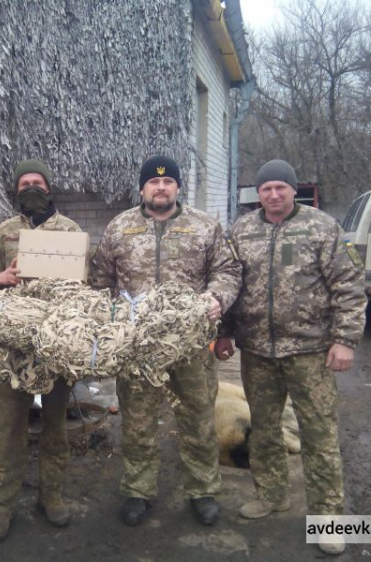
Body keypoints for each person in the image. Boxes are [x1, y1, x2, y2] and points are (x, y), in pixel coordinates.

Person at [214, 159, 366, 556]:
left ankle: (328, 519)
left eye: (281, 187)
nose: (274, 194)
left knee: (319, 435)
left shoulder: (322, 227)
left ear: (293, 189)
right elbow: (231, 285)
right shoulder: (241, 231)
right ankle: (271, 495)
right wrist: (224, 333)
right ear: (258, 193)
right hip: (258, 352)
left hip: (311, 351)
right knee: (263, 430)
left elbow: (349, 286)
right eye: (267, 189)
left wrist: (346, 339)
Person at [89, 155, 242, 527]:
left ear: (177, 187)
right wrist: (109, 325)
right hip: (138, 347)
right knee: (138, 422)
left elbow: (228, 270)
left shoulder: (204, 226)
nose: (161, 187)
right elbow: (99, 280)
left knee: (198, 418)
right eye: (153, 182)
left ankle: (203, 490)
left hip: (189, 344)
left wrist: (217, 298)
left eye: (168, 182)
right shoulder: (119, 227)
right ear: (142, 188)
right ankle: (138, 491)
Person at [0, 160, 83, 542]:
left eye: (37, 182)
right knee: (10, 429)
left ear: (49, 188)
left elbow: (82, 285)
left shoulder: (70, 230)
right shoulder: (5, 231)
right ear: (16, 190)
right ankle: (3, 505)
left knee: (56, 427)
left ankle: (51, 495)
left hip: (55, 347)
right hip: (13, 351)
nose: (31, 188)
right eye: (24, 183)